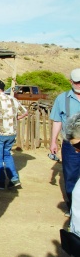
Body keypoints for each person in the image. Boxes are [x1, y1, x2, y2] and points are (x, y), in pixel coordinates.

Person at [0, 79, 28, 190]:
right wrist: (16, 118)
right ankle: (14, 179)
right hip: (11, 133)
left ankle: (0, 181)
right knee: (7, 155)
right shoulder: (12, 99)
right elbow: (25, 112)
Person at [50, 68, 80, 214]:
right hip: (71, 146)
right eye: (77, 82)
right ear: (71, 82)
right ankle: (73, 209)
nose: (79, 85)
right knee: (71, 177)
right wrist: (53, 141)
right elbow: (57, 121)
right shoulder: (62, 99)